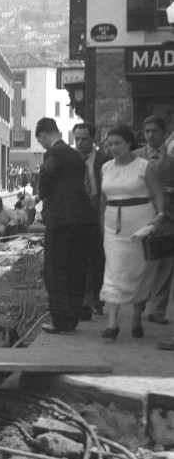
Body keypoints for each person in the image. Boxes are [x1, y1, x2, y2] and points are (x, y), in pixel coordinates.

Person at [99, 124, 165, 341]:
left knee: (140, 272)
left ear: (129, 143)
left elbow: (156, 193)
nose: (114, 148)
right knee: (114, 271)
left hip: (140, 224)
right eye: (110, 144)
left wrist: (161, 215)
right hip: (112, 227)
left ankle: (136, 317)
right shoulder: (106, 167)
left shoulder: (144, 166)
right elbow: (103, 197)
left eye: (118, 143)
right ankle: (112, 324)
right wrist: (102, 222)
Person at [34, 117, 94, 334]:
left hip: (61, 218)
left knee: (55, 269)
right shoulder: (77, 156)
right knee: (77, 268)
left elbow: (47, 173)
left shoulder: (54, 153)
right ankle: (72, 318)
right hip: (83, 217)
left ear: (43, 135)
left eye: (41, 141)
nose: (42, 145)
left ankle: (60, 321)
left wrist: (42, 194)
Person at [73, 121, 111, 319]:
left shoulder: (106, 160)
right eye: (77, 139)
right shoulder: (71, 160)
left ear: (93, 139)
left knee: (98, 258)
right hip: (78, 213)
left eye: (84, 139)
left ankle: (95, 298)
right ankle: (83, 302)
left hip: (100, 210)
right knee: (80, 259)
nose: (79, 143)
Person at [139, 117, 174, 326]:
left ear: (162, 133)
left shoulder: (172, 161)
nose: (151, 135)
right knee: (141, 263)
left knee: (165, 264)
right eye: (147, 131)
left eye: (154, 131)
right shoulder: (135, 158)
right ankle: (139, 304)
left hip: (168, 216)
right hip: (141, 215)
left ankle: (158, 309)